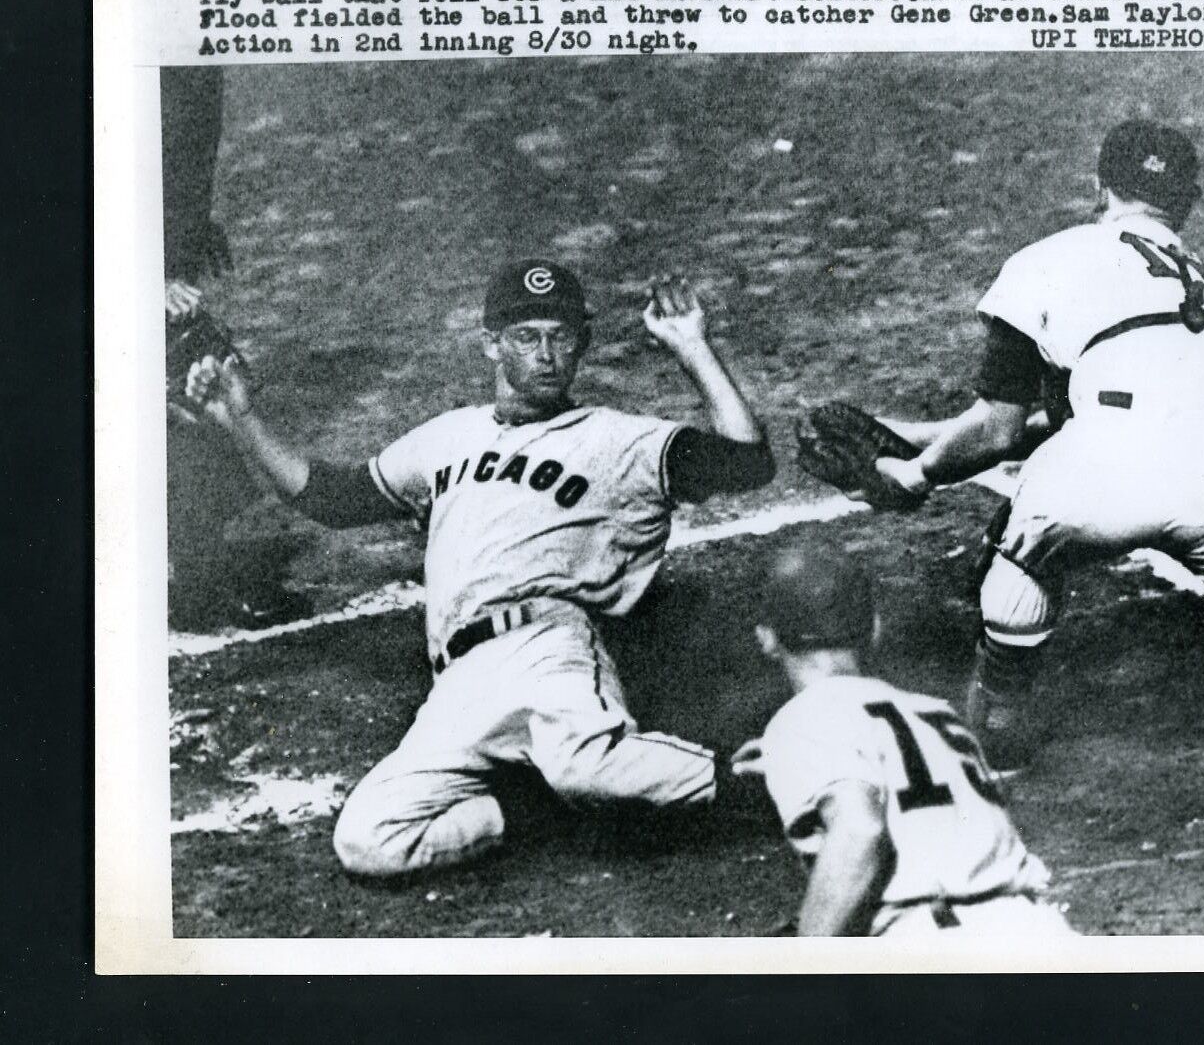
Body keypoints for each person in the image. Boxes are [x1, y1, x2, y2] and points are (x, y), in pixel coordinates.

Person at [866, 120, 1204, 824]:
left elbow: (1003, 426)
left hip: (1102, 468)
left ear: (1100, 185)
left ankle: (1000, 724)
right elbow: (1086, 415)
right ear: (1186, 202)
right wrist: (917, 438)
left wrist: (918, 474)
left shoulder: (1049, 257)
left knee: (1022, 551)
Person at [185, 261, 776, 877]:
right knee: (369, 840)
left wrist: (693, 348)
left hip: (548, 648)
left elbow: (747, 463)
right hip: (459, 685)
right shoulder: (449, 436)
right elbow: (334, 498)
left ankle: (770, 778)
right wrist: (243, 422)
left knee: (587, 766)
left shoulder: (616, 441)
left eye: (561, 336)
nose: (546, 354)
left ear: (581, 344)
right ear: (490, 343)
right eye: (526, 336)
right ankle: (532, 812)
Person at [731, 541, 1073, 937]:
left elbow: (860, 829)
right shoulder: (937, 713)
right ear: (875, 629)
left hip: (938, 944)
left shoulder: (803, 717)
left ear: (767, 638)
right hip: (1038, 931)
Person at [162, 67, 310, 630]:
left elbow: (169, 162)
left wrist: (182, 229)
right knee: (179, 396)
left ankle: (195, 570)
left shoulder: (189, 64)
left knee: (207, 377)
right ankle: (192, 582)